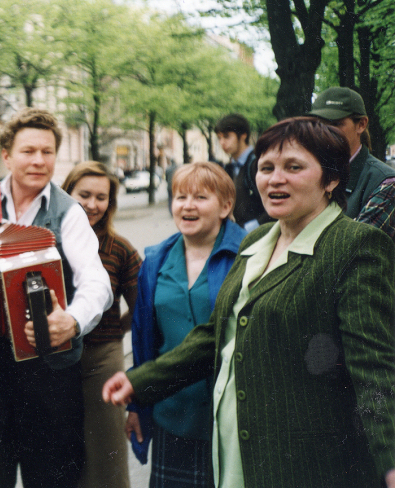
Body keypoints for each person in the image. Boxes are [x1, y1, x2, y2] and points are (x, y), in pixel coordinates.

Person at [104, 117, 395, 488]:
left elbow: (375, 367)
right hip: (235, 455)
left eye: (294, 167)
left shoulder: (355, 247)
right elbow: (217, 333)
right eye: (266, 168)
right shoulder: (255, 242)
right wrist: (139, 380)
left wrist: (390, 459)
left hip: (306, 468)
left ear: (332, 179)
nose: (275, 179)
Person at [0, 108, 113, 488]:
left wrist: (72, 321)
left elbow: (97, 283)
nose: (38, 160)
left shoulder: (68, 211)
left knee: (52, 476)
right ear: (6, 156)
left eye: (47, 152)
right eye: (28, 151)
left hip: (48, 366)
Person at [128, 162, 246, 488]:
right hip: (173, 413)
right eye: (180, 197)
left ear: (225, 206)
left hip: (231, 415)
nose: (187, 205)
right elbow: (143, 339)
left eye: (200, 197)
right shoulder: (155, 259)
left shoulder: (248, 254)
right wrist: (137, 404)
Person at [60, 161, 142, 488]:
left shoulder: (120, 249)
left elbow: (140, 310)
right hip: (53, 361)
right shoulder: (47, 241)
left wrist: (114, 333)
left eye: (101, 197)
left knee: (106, 454)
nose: (92, 205)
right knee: (59, 452)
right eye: (84, 195)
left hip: (100, 359)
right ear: (66, 194)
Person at [306, 86, 395, 239]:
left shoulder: (385, 183)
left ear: (361, 124)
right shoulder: (308, 172)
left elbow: (355, 248)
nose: (323, 132)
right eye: (318, 124)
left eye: (335, 124)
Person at [215, 114, 270, 231]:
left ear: (243, 135)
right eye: (219, 138)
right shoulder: (229, 167)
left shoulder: (257, 164)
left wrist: (247, 229)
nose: (222, 143)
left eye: (226, 136)